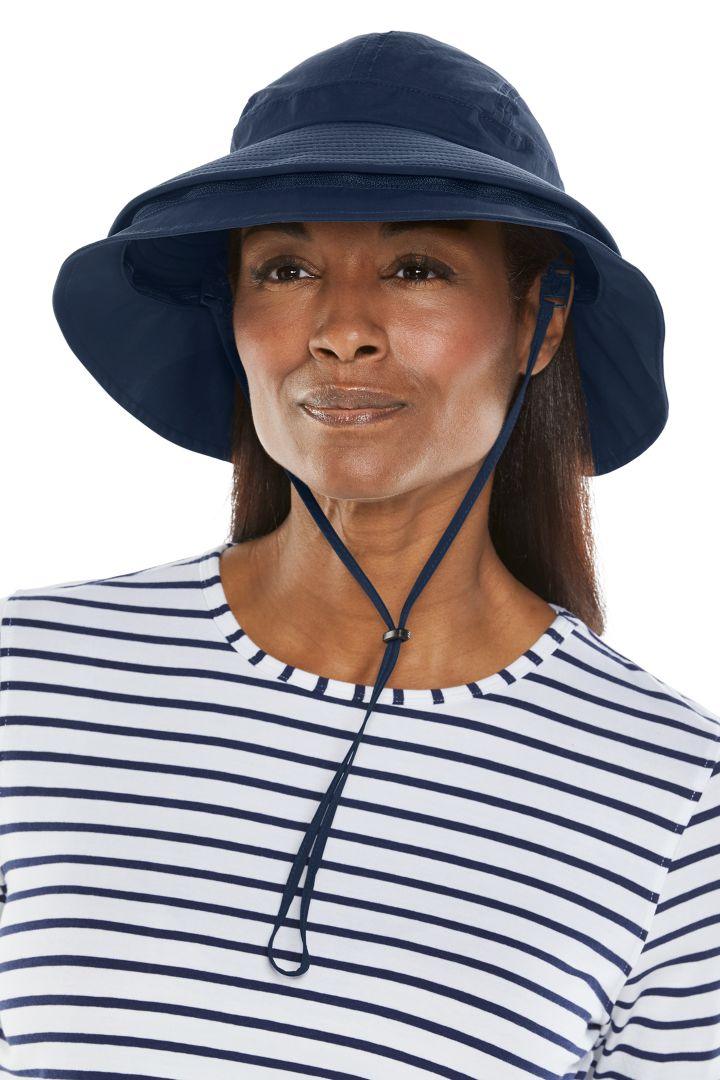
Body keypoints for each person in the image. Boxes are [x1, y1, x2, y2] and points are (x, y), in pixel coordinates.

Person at [1, 29, 718, 1080]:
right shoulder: (29, 677)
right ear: (234, 316)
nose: (341, 331)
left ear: (542, 319)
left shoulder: (677, 794)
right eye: (285, 269)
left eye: (415, 267)